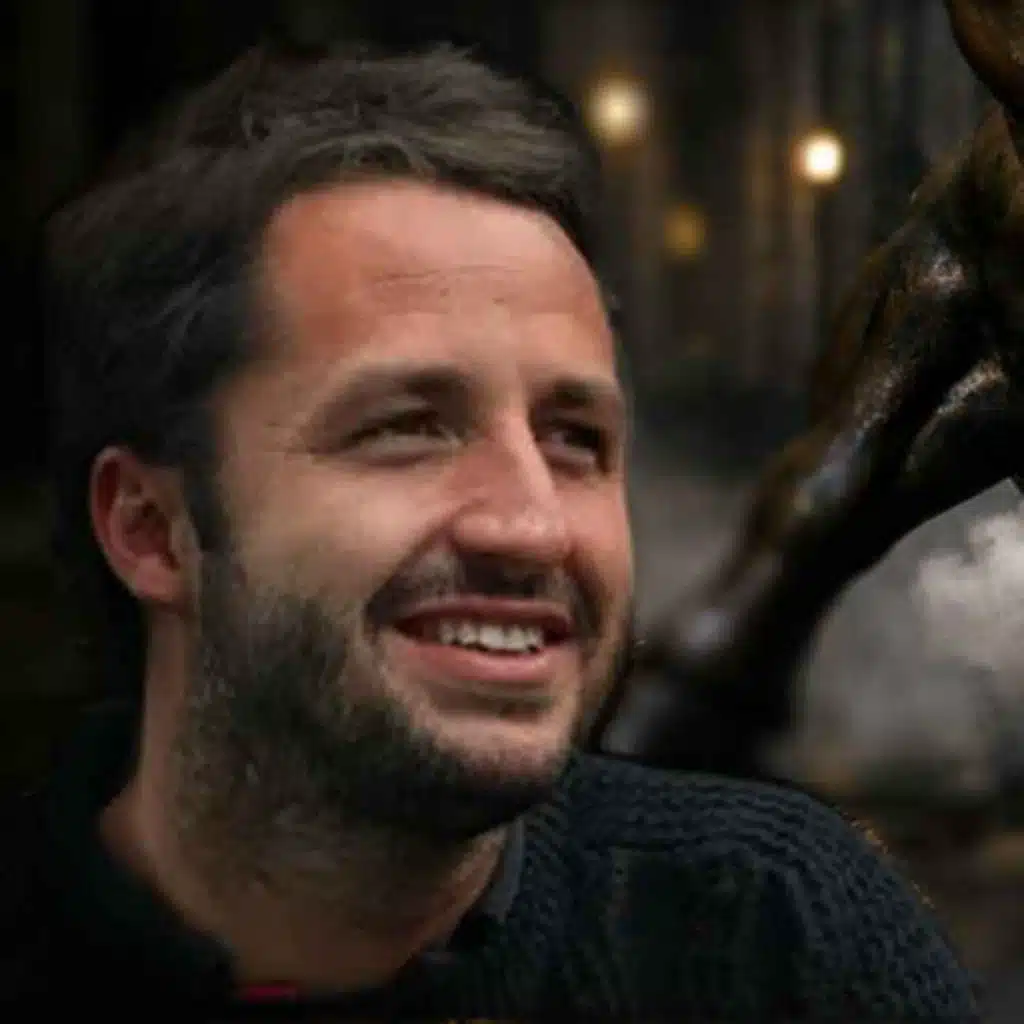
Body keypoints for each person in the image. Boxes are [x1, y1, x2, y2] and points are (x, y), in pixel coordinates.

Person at [1, 40, 979, 1019]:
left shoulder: (782, 936)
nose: (533, 526)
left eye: (574, 439)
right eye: (407, 427)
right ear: (151, 530)